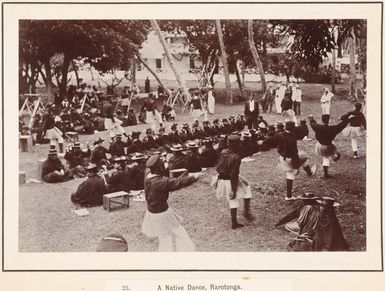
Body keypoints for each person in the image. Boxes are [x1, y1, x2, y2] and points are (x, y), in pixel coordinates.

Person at [141, 154, 199, 251]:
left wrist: (181, 176)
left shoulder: (148, 176)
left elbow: (172, 181)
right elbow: (177, 183)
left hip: (152, 212)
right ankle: (187, 250)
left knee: (164, 235)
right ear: (158, 168)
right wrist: (194, 177)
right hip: (162, 213)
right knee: (179, 231)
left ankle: (167, 252)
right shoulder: (161, 182)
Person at [265, 121, 317, 201]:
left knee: (301, 158)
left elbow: (270, 140)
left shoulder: (279, 134)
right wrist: (296, 167)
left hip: (282, 158)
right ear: (293, 128)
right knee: (303, 158)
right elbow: (294, 154)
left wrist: (262, 143)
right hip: (290, 159)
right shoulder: (292, 138)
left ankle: (289, 195)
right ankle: (309, 173)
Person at [215, 134, 254, 229]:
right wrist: (233, 189)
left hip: (222, 179)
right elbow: (234, 175)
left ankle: (245, 211)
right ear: (236, 145)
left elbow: (217, 166)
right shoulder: (236, 157)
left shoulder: (223, 151)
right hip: (230, 180)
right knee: (234, 198)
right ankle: (235, 222)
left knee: (247, 186)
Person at [309, 114, 349, 178]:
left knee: (327, 156)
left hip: (319, 145)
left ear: (322, 120)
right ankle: (326, 173)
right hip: (327, 145)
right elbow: (341, 126)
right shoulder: (332, 129)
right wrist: (347, 120)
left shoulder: (318, 127)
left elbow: (312, 124)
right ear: (329, 120)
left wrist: (311, 118)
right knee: (327, 157)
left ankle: (334, 157)